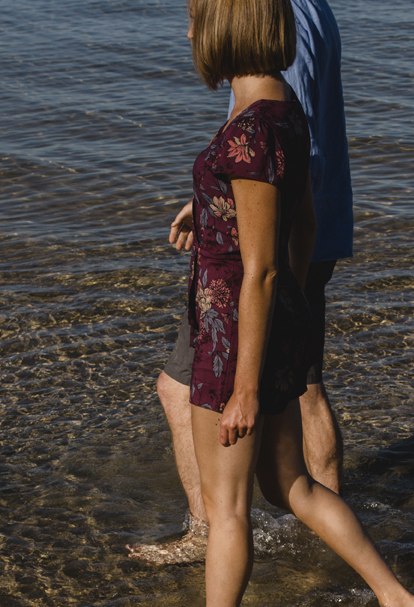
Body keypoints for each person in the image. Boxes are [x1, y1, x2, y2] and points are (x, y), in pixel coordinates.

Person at [141, 0, 414, 607]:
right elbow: (298, 227)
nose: (187, 31)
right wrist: (289, 314)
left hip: (232, 342)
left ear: (226, 32)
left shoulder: (244, 134)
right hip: (274, 327)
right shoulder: (284, 118)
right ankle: (397, 597)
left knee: (230, 507)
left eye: (194, 19)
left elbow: (261, 268)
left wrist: (245, 384)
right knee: (290, 485)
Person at [129, 0, 351, 566]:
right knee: (304, 398)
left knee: (182, 390)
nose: (189, 29)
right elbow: (279, 155)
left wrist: (231, 198)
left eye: (193, 19)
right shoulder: (308, 5)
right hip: (295, 232)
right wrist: (212, 198)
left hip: (255, 264)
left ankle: (211, 537)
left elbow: (268, 153)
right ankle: (325, 536)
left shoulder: (264, 15)